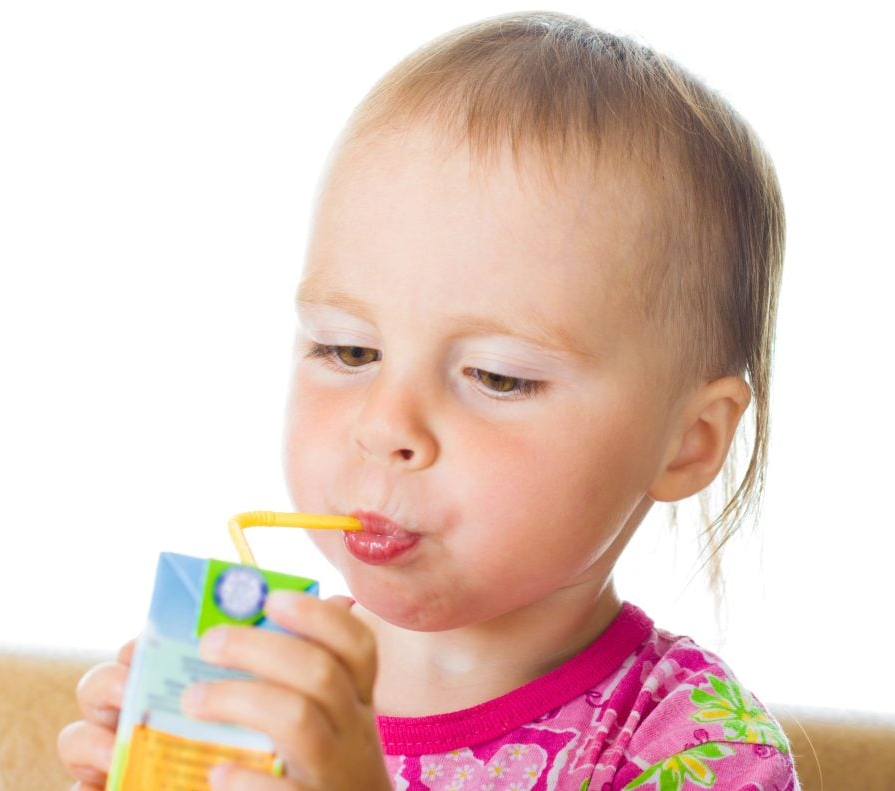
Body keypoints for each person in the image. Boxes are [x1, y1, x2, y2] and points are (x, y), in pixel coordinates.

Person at [58, 11, 798, 790]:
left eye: (497, 375)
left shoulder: (700, 748)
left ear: (688, 439)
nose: (385, 426)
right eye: (350, 350)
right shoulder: (254, 690)